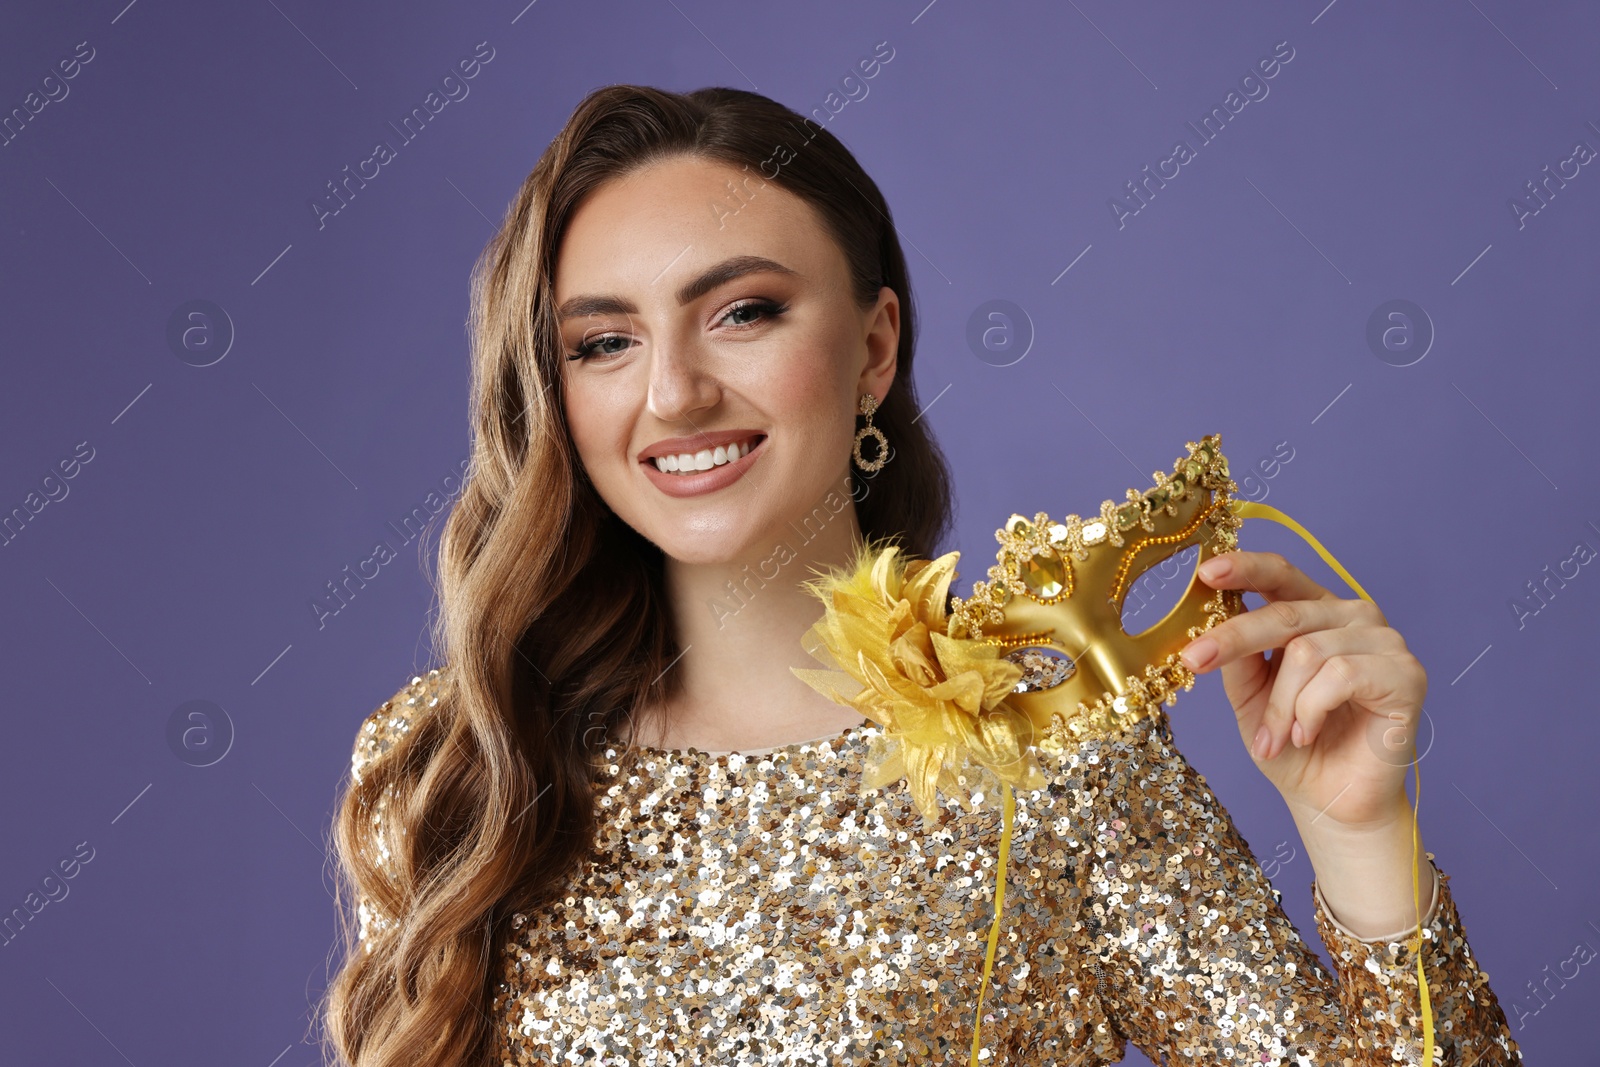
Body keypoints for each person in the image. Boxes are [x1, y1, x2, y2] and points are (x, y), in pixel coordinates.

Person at [321, 85, 1521, 1067]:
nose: (671, 392)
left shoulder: (1049, 753)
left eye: (740, 312)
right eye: (602, 342)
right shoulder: (449, 765)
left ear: (873, 348)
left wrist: (1359, 834)